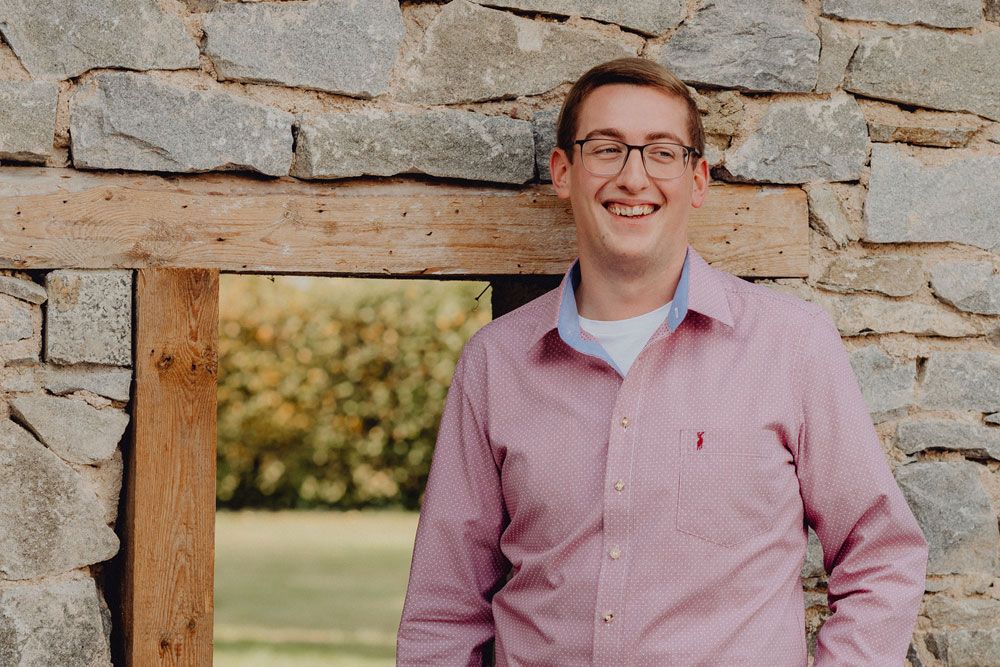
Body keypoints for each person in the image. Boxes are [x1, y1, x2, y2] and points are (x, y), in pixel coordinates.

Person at [395, 57, 928, 666]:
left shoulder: (791, 344)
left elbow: (881, 556)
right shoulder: (495, 364)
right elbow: (444, 611)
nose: (633, 177)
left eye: (661, 152)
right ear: (563, 172)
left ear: (697, 180)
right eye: (606, 149)